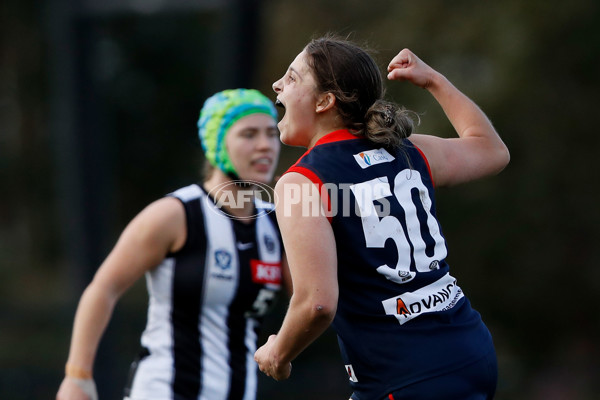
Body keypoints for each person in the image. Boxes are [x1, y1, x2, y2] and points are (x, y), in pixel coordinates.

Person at [254, 35, 510, 400]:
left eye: (292, 78)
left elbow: (317, 303)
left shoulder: (303, 181)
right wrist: (433, 79)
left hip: (403, 377)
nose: (278, 85)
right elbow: (492, 150)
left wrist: (277, 353)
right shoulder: (408, 149)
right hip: (472, 353)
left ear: (326, 101)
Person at [56, 88, 290, 400]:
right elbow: (103, 288)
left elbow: (312, 299)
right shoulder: (176, 214)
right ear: (216, 144)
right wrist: (77, 377)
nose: (265, 145)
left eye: (271, 134)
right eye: (249, 134)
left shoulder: (278, 222)